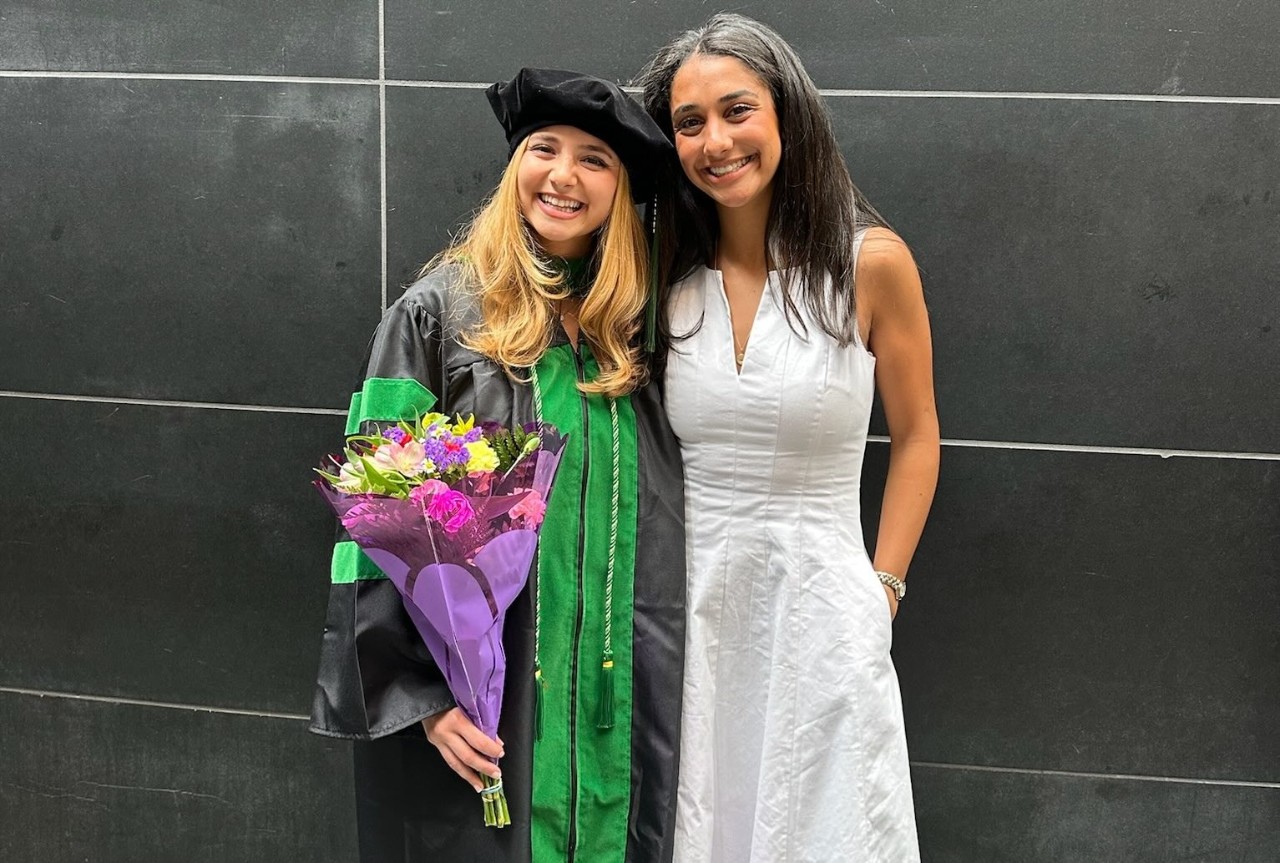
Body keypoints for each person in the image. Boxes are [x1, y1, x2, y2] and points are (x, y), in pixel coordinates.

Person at [309, 68, 686, 863]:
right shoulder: (439, 315)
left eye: (594, 159)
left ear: (621, 191)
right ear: (514, 168)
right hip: (485, 713)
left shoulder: (637, 334)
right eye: (543, 149)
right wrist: (423, 698)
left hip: (614, 699)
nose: (562, 175)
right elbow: (371, 522)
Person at [638, 14, 939, 862]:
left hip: (822, 609)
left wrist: (880, 590)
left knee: (829, 827)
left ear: (787, 115)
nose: (716, 140)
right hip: (687, 611)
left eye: (738, 110)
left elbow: (918, 435)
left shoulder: (870, 264)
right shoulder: (657, 275)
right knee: (701, 821)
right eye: (689, 122)